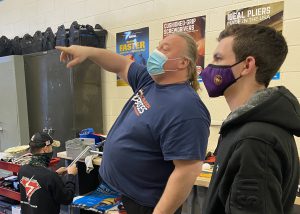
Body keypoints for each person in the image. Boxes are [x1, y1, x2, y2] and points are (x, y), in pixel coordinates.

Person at [56, 31, 211, 214]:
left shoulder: (186, 107)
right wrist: (88, 51)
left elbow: (187, 171)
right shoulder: (150, 82)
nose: (156, 52)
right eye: (158, 46)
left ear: (183, 62)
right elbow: (120, 64)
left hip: (141, 204)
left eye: (164, 49)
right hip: (112, 192)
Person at [201, 24, 300, 214]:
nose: (209, 67)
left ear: (247, 65)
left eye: (218, 58)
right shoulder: (245, 127)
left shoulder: (255, 140)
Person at [18, 131, 78, 214]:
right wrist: (71, 175)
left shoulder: (22, 170)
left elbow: (40, 182)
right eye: (51, 147)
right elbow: (67, 198)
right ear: (45, 149)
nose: (52, 150)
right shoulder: (49, 176)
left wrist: (56, 174)